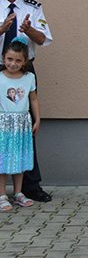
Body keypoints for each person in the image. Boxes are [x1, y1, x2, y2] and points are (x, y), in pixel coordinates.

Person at [0, 0, 53, 203]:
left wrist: (28, 29)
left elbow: (43, 39)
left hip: (24, 72)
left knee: (25, 127)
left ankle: (29, 187)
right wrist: (2, 29)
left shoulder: (33, 7)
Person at [0, 37, 41, 211]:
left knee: (19, 158)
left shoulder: (28, 78)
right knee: (2, 159)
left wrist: (37, 119)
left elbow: (33, 99)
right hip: (3, 124)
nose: (13, 63)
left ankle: (18, 192)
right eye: (9, 59)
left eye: (18, 60)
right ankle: (2, 195)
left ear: (25, 62)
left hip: (22, 124)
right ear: (3, 58)